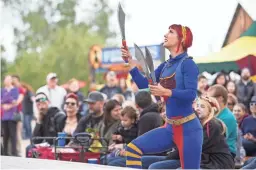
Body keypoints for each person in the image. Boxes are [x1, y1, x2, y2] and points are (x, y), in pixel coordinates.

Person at [121, 24, 202, 169]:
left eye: (170, 32)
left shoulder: (188, 64)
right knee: (132, 150)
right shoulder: (165, 65)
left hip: (189, 130)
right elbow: (143, 84)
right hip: (169, 128)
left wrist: (166, 92)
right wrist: (131, 62)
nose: (165, 34)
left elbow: (191, 94)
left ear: (182, 39)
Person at [142, 96, 234, 169]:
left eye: (202, 107)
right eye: (197, 106)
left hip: (214, 163)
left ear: (210, 110)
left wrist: (167, 158)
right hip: (191, 158)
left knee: (155, 167)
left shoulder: (213, 125)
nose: (198, 109)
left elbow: (193, 147)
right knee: (143, 160)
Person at [26, 92, 65, 157]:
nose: (41, 107)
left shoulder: (57, 115)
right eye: (39, 105)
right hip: (46, 145)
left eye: (44, 103)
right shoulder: (42, 116)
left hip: (57, 146)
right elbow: (35, 140)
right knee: (29, 148)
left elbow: (63, 136)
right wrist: (39, 121)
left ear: (48, 102)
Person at [207, 84, 237, 157]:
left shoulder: (228, 117)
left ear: (220, 98)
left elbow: (216, 140)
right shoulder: (213, 113)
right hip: (212, 151)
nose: (207, 100)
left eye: (209, 98)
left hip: (225, 154)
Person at [1, 75, 19, 156]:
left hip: (12, 115)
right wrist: (6, 102)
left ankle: (14, 152)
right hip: (4, 116)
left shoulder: (15, 90)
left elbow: (15, 101)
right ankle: (5, 153)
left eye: (9, 79)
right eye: (6, 79)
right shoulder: (2, 90)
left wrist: (9, 104)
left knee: (13, 134)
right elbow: (2, 100)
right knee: (5, 135)